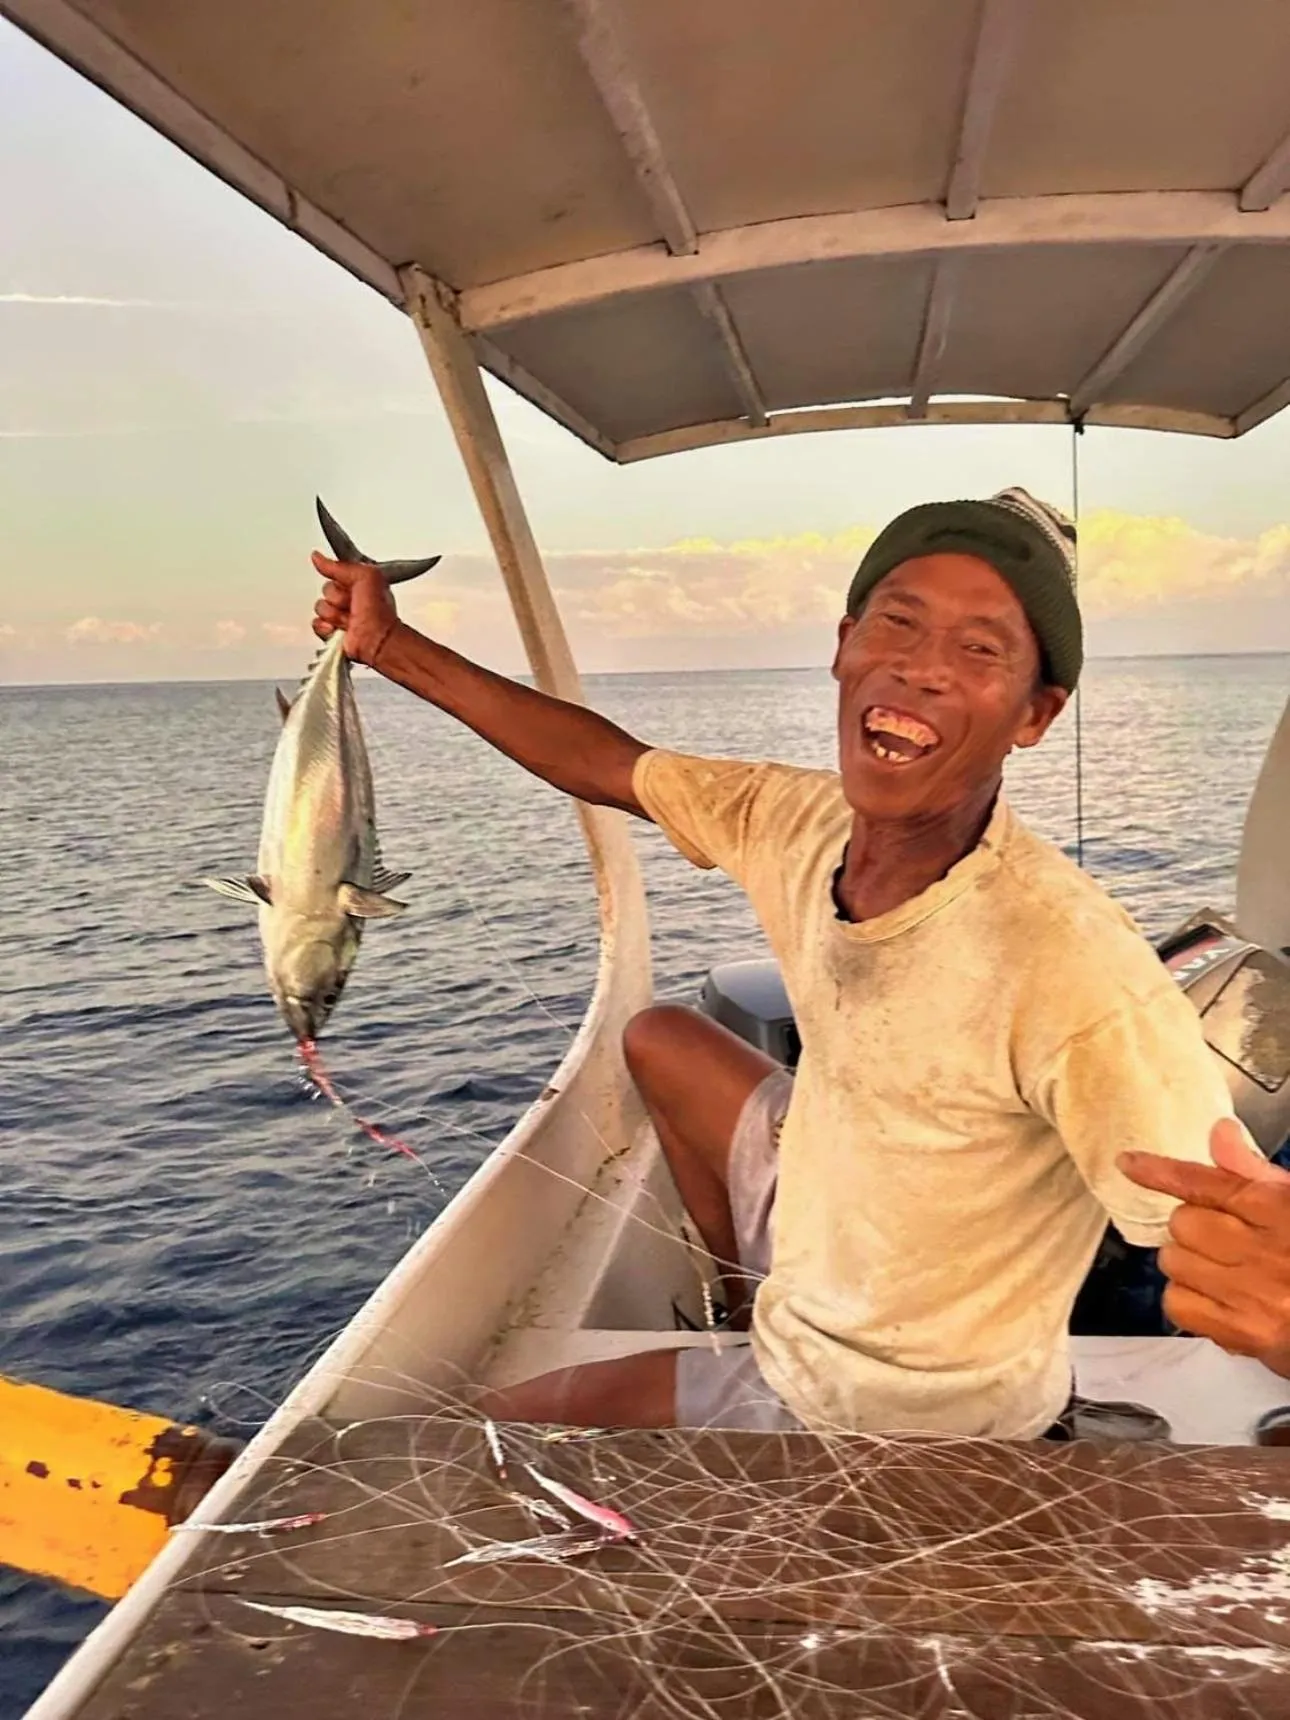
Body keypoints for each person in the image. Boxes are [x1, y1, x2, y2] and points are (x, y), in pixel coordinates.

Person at [312, 487, 1257, 1439]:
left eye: (979, 650)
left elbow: (1238, 1235)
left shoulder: (1074, 964)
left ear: (1035, 714)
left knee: (468, 1441)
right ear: (844, 645)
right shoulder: (793, 821)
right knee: (664, 1038)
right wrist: (387, 645)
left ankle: (763, 1367)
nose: (922, 667)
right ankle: (748, 1310)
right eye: (898, 621)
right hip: (819, 1223)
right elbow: (604, 762)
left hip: (899, 1415)